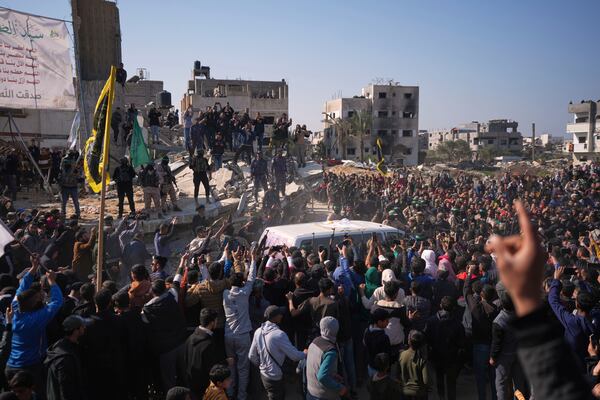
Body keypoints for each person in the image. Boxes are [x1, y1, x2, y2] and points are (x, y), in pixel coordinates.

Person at [486, 200, 592, 400]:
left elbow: (549, 301)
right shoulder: (567, 313)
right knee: (522, 380)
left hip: (519, 356)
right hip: (535, 357)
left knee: (503, 381)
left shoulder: (505, 319)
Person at [7, 254, 63, 398]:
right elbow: (56, 302)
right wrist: (52, 282)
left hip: (11, 366)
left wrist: (34, 268)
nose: (42, 298)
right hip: (30, 367)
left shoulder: (16, 308)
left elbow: (22, 288)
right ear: (33, 304)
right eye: (38, 298)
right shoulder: (36, 319)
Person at [248, 305, 306, 400]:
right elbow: (295, 356)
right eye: (280, 314)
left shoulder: (258, 331)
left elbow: (251, 356)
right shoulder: (279, 335)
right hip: (275, 377)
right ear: (275, 317)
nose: (282, 316)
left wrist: (263, 366)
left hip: (263, 375)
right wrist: (305, 353)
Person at [223, 250, 257, 400]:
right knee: (243, 368)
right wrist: (253, 260)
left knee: (231, 366)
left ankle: (230, 393)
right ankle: (242, 396)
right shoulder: (245, 293)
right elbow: (251, 278)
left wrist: (229, 259)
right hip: (243, 336)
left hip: (228, 336)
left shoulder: (225, 294)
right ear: (242, 283)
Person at [141, 279, 186, 392]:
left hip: (165, 349)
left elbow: (146, 326)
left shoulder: (147, 309)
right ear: (165, 289)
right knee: (185, 375)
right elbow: (176, 282)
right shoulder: (172, 297)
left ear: (153, 292)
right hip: (180, 342)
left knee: (169, 380)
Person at [79, 289, 124, 400]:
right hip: (114, 365)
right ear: (109, 303)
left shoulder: (87, 324)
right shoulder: (118, 320)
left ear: (95, 303)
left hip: (95, 367)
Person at [464, 264, 499, 400]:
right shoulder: (497, 310)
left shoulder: (477, 309)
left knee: (480, 376)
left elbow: (466, 292)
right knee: (493, 376)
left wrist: (469, 274)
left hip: (479, 345)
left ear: (482, 295)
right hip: (493, 346)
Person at [424, 296, 465, 400]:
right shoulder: (457, 324)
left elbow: (426, 337)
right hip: (452, 357)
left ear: (440, 306)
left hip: (436, 355)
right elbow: (461, 342)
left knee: (439, 378)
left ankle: (441, 397)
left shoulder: (431, 321)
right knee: (451, 382)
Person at [489, 292, 528, 400]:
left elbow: (496, 343)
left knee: (501, 384)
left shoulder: (498, 321)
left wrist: (492, 357)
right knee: (519, 383)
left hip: (503, 357)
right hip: (518, 354)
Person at [182, 308, 227, 399]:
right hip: (204, 388)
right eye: (216, 320)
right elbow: (212, 368)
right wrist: (225, 362)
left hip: (191, 384)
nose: (217, 322)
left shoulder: (190, 338)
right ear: (212, 322)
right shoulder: (208, 344)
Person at [305, 316, 348, 400]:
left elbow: (316, 365)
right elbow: (322, 376)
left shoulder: (315, 341)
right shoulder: (330, 352)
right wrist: (340, 387)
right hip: (324, 396)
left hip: (311, 393)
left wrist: (333, 374)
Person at [398, 330, 430, 400]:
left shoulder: (402, 355)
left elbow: (398, 374)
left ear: (409, 341)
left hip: (405, 391)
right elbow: (426, 380)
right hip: (419, 393)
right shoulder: (422, 358)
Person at [363, 308, 391, 378]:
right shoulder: (384, 338)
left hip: (370, 365)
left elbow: (364, 344)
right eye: (386, 321)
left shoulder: (367, 331)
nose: (388, 322)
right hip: (380, 370)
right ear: (379, 322)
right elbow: (387, 355)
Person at [57, 151, 81, 218]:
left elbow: (78, 175)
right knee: (63, 202)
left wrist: (76, 173)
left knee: (75, 201)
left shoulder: (74, 165)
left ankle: (78, 213)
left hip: (73, 186)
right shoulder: (63, 164)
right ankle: (63, 213)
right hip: (64, 186)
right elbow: (60, 173)